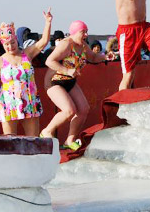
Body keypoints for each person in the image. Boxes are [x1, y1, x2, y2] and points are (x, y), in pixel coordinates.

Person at [0, 9, 52, 136]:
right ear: (2, 44)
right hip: (8, 103)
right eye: (7, 44)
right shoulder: (0, 61)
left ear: (17, 40)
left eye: (13, 42)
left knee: (32, 142)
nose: (10, 46)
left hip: (29, 101)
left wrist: (48, 22)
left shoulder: (26, 54)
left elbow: (43, 42)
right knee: (10, 143)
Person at [41, 21, 113, 150]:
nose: (86, 34)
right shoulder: (65, 44)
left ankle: (70, 140)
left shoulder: (83, 45)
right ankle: (46, 131)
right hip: (54, 82)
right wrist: (67, 70)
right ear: (74, 33)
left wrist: (105, 56)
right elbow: (49, 61)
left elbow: (93, 57)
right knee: (69, 111)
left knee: (84, 109)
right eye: (83, 32)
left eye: (86, 31)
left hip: (70, 82)